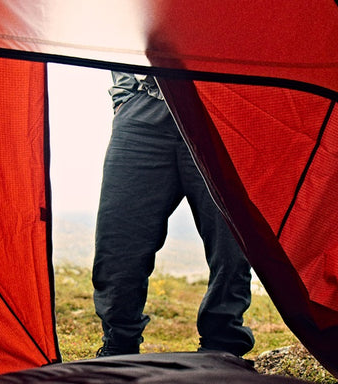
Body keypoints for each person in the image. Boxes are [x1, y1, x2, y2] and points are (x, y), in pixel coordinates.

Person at [92, 72, 254, 357]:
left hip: (216, 107)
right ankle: (119, 346)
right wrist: (124, 98)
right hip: (143, 109)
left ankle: (222, 347)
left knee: (231, 241)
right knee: (118, 240)